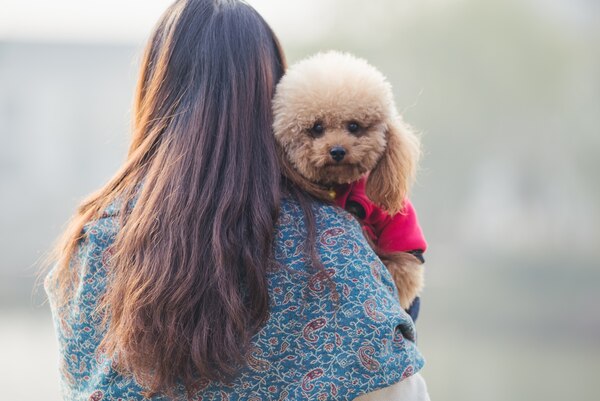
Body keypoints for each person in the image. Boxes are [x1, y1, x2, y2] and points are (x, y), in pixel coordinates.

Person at [43, 0, 431, 400]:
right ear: (276, 103)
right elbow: (398, 388)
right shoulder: (334, 246)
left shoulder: (94, 242)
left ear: (152, 94)